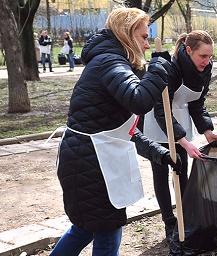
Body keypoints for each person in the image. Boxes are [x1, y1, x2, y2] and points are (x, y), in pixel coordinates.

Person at [50, 8, 176, 255]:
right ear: (126, 35)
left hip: (90, 157)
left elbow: (120, 128)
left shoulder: (114, 62)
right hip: (90, 162)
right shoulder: (110, 62)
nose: (147, 44)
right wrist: (159, 69)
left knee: (85, 228)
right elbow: (138, 100)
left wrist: (159, 153)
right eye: (143, 37)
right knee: (107, 230)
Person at [142, 30, 217, 241]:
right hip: (158, 123)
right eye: (203, 56)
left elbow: (197, 103)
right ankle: (169, 223)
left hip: (180, 124)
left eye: (210, 56)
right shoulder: (169, 69)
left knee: (181, 172)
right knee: (160, 175)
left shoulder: (204, 71)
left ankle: (185, 219)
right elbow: (162, 110)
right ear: (188, 50)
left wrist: (207, 131)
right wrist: (184, 142)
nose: (207, 60)